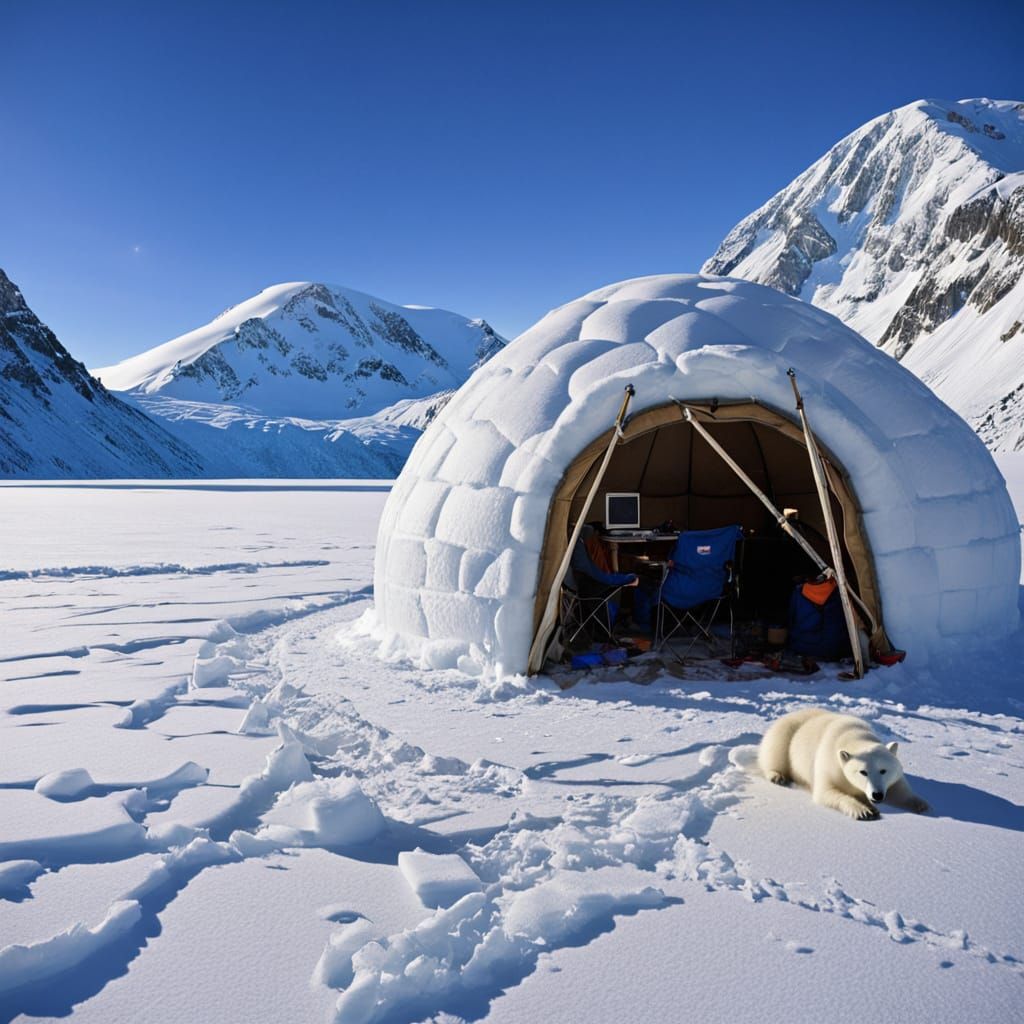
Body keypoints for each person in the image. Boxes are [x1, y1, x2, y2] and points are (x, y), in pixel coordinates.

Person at [566, 525, 638, 640]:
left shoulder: (578, 554)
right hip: (591, 589)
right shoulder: (583, 562)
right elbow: (605, 578)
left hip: (583, 590)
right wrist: (628, 578)